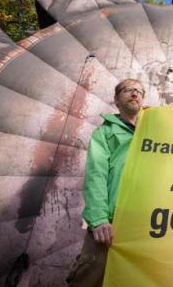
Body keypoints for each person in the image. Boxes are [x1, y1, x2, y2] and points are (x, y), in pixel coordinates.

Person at [66, 78, 145, 286]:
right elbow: (96, 175)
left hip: (144, 224)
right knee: (91, 275)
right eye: (128, 90)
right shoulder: (105, 132)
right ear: (116, 100)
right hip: (110, 224)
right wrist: (99, 218)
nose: (134, 93)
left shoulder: (153, 131)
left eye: (139, 91)